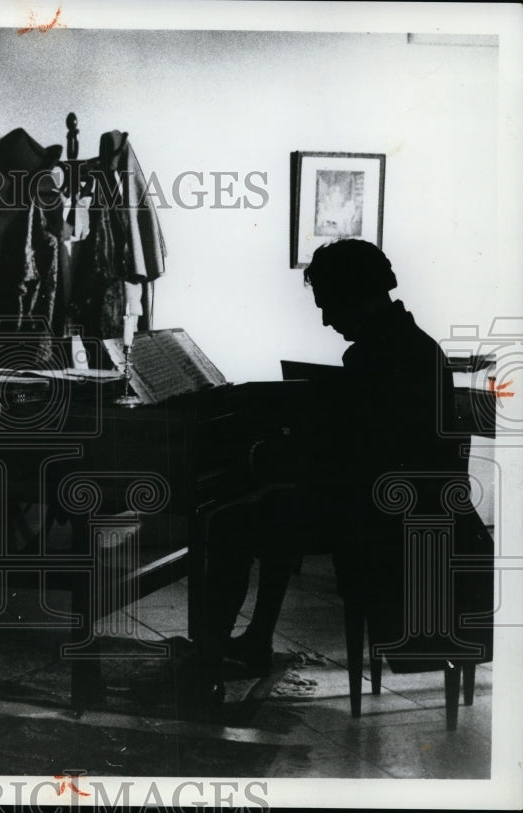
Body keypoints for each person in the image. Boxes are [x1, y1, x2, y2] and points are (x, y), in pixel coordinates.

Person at [183, 238, 493, 713]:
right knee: (274, 513)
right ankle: (257, 640)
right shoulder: (403, 341)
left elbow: (356, 452)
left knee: (232, 524)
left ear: (354, 293)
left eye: (327, 304)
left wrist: (277, 448)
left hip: (385, 515)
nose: (326, 319)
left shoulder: (378, 354)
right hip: (403, 502)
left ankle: (208, 660)